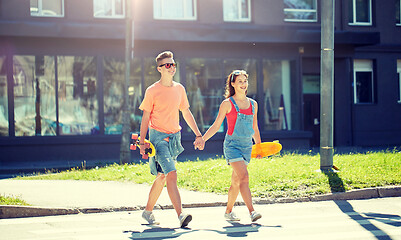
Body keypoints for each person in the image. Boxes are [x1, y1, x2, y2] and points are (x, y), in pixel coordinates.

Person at [138, 51, 204, 228]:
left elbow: (186, 112)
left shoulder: (179, 89)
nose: (171, 67)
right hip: (158, 138)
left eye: (173, 64)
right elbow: (145, 117)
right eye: (167, 65)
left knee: (161, 176)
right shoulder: (152, 90)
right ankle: (181, 215)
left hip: (175, 138)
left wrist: (199, 134)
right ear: (159, 68)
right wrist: (142, 141)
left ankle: (147, 212)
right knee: (171, 173)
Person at [196, 70, 262, 222]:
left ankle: (228, 212)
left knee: (236, 181)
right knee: (244, 177)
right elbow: (216, 125)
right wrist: (203, 139)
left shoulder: (253, 104)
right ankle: (252, 211)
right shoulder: (227, 104)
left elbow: (255, 127)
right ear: (232, 84)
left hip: (246, 146)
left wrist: (258, 147)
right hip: (232, 146)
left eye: (245, 81)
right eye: (240, 81)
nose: (243, 84)